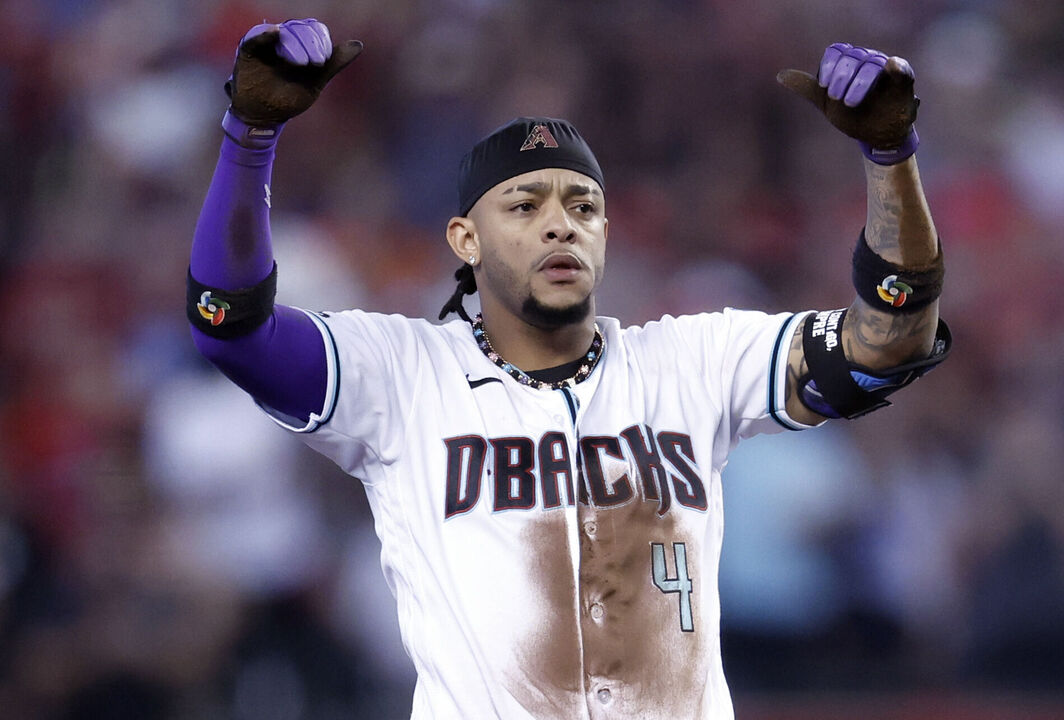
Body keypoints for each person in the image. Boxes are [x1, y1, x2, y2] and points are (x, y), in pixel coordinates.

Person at [187, 18, 950, 719]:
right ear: (465, 240)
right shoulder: (403, 375)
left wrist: (892, 160)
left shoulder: (694, 361)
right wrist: (250, 136)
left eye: (583, 206)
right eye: (523, 205)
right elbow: (230, 324)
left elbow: (887, 342)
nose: (560, 221)